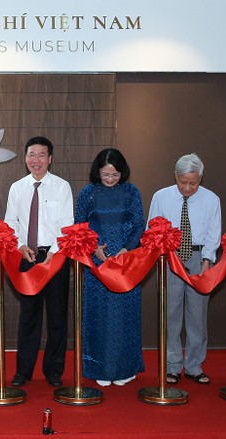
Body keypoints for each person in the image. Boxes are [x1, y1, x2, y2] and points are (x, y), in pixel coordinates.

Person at [5, 136, 73, 387]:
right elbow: (11, 222)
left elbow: (67, 224)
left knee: (56, 317)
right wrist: (20, 245)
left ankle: (53, 370)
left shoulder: (62, 187)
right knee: (28, 316)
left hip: (55, 257)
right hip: (27, 256)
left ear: (50, 159)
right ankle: (23, 371)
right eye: (32, 155)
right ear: (25, 158)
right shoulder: (17, 188)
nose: (36, 160)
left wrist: (54, 254)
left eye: (42, 155)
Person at [148, 153, 221, 385]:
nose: (188, 187)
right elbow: (151, 229)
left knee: (197, 316)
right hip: (170, 257)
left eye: (193, 182)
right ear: (175, 176)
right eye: (183, 182)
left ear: (201, 178)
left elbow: (213, 233)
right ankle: (171, 366)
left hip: (200, 257)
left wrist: (207, 260)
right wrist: (163, 254)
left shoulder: (211, 199)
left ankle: (194, 365)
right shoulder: (161, 196)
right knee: (170, 314)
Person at [75, 148, 145, 387]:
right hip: (97, 265)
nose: (110, 179)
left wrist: (127, 248)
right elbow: (79, 226)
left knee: (125, 315)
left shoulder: (131, 192)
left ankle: (125, 367)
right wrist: (94, 248)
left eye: (115, 175)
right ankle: (100, 368)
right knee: (99, 315)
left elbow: (139, 225)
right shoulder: (88, 193)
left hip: (126, 263)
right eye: (106, 175)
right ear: (98, 172)